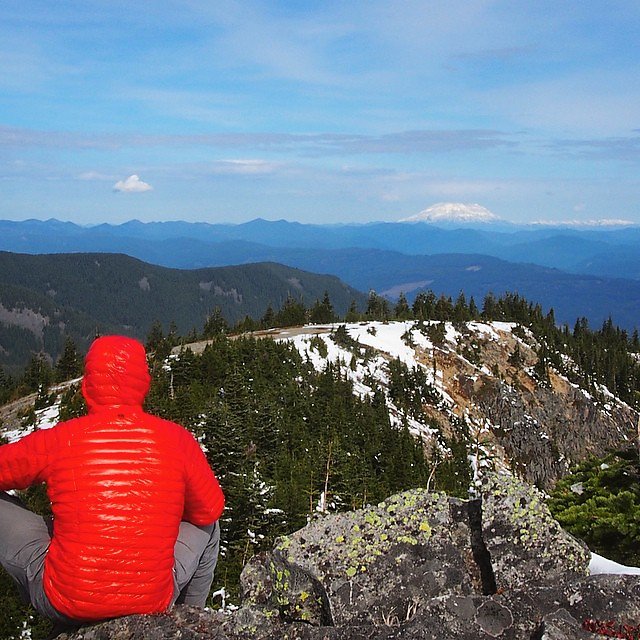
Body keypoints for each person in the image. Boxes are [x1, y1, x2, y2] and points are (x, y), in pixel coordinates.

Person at [0, 335, 225, 626]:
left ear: (87, 385)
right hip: (152, 601)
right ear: (144, 383)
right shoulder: (177, 440)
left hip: (65, 602)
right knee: (210, 523)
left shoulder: (60, 439)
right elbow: (208, 510)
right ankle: (189, 621)